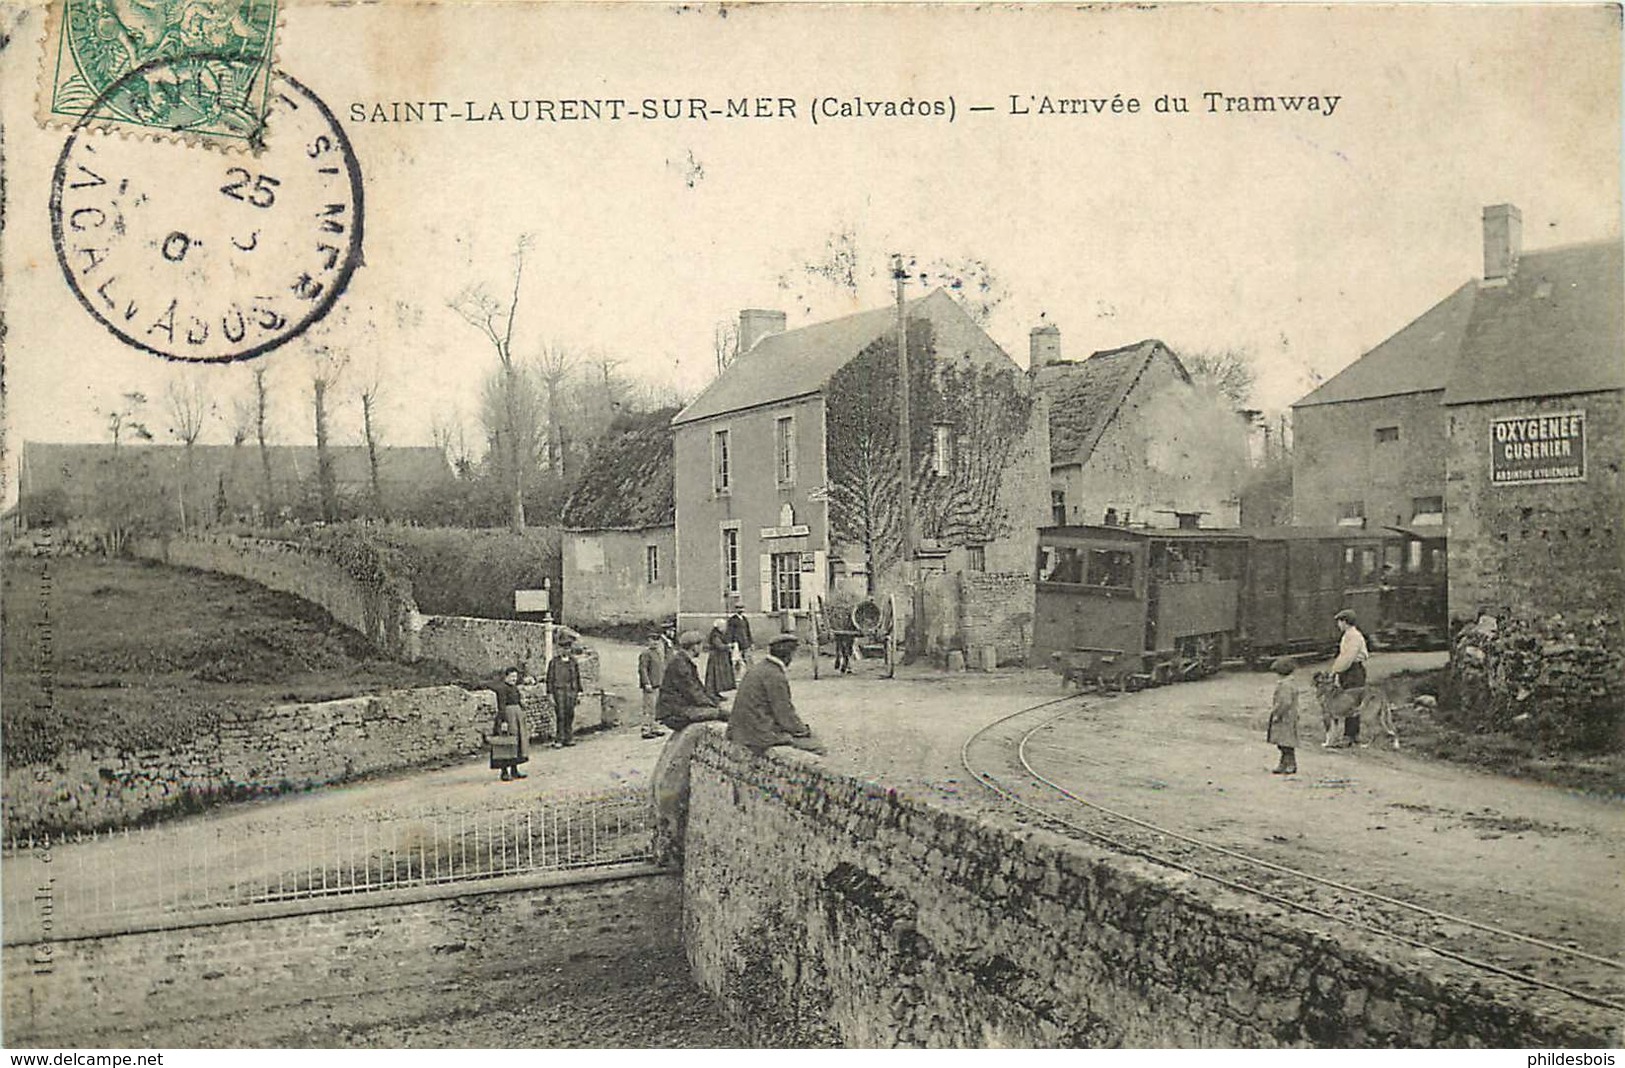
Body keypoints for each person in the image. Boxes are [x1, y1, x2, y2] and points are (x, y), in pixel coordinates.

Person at [726, 631, 827, 756]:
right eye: (793, 654)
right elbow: (784, 713)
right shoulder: (775, 675)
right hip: (757, 734)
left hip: (740, 730)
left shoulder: (758, 668)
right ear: (788, 655)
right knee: (816, 746)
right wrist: (804, 730)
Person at [655, 629, 727, 732]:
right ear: (694, 646)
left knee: (721, 711)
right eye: (701, 645)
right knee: (723, 715)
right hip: (674, 712)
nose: (702, 649)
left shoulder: (684, 661)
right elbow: (692, 691)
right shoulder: (680, 664)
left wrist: (714, 701)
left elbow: (700, 689)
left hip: (679, 708)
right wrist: (713, 706)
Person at [1329, 608, 1370, 745]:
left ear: (1345, 622)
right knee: (1351, 701)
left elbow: (1347, 657)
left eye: (1339, 622)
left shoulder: (1353, 636)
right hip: (1350, 670)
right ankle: (1352, 734)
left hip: (1353, 670)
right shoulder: (1348, 635)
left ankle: (1350, 735)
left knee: (1351, 702)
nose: (1338, 625)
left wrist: (1336, 671)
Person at [546, 633, 584, 748]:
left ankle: (569, 737)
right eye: (563, 647)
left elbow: (577, 677)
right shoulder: (554, 663)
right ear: (559, 648)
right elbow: (549, 679)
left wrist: (579, 692)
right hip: (559, 691)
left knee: (570, 714)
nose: (566, 650)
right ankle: (559, 739)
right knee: (560, 715)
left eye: (568, 647)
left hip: (571, 691)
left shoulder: (573, 662)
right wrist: (550, 694)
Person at [490, 666, 528, 781]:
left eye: (515, 677)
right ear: (506, 677)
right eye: (511, 676)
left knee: (516, 744)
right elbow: (501, 706)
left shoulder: (514, 688)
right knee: (506, 744)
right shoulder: (502, 689)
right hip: (508, 716)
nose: (513, 679)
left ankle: (514, 770)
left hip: (517, 718)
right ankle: (504, 772)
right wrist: (503, 721)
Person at [1265, 657, 1301, 775]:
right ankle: (1284, 763)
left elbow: (1285, 702)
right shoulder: (1291, 683)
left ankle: (1290, 764)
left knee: (1286, 742)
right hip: (1290, 716)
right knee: (1283, 742)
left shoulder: (1285, 685)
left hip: (1285, 717)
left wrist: (1277, 713)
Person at [637, 631, 669, 740]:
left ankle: (655, 728)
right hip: (650, 685)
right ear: (648, 641)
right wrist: (646, 683)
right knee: (648, 708)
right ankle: (646, 729)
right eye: (652, 640)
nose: (654, 642)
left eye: (657, 640)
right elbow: (643, 669)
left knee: (656, 708)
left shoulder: (658, 653)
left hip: (658, 684)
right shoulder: (645, 654)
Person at [705, 617, 738, 694]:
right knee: (715, 676)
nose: (725, 628)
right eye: (723, 626)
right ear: (719, 627)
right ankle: (713, 693)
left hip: (720, 657)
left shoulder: (719, 634)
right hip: (716, 658)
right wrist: (729, 646)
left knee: (718, 676)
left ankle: (717, 692)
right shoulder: (715, 635)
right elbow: (719, 646)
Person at [725, 597, 754, 667]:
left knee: (748, 661)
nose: (740, 609)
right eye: (738, 608)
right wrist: (730, 643)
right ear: (735, 609)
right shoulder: (732, 620)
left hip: (746, 643)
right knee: (737, 662)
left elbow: (748, 631)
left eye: (742, 608)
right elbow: (730, 632)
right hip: (737, 644)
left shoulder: (744, 619)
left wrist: (751, 642)